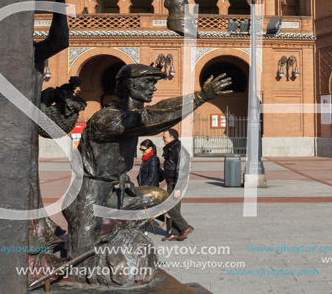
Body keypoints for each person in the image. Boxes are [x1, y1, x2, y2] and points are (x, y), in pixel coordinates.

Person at [63, 63, 231, 259]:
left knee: (159, 198)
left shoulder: (128, 117)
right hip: (88, 194)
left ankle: (122, 239)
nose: (153, 88)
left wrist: (120, 173)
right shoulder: (106, 118)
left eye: (154, 83)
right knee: (81, 261)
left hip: (110, 189)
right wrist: (198, 98)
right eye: (148, 82)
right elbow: (148, 120)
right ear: (130, 86)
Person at [161, 128, 193, 241]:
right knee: (175, 208)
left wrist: (178, 188)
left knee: (167, 205)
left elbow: (181, 170)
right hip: (171, 181)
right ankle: (175, 233)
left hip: (176, 183)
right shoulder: (171, 148)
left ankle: (185, 227)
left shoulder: (178, 150)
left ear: (172, 137)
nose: (163, 139)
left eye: (165, 137)